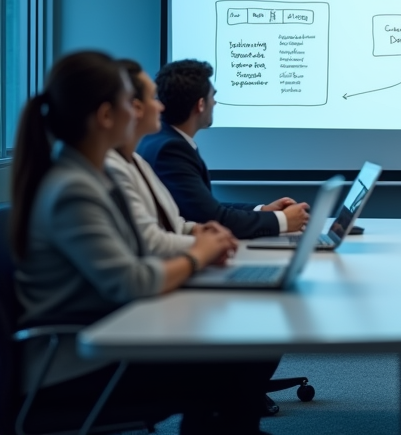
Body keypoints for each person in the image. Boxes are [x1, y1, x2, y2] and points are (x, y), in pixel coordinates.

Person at [11, 50, 277, 434]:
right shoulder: (74, 188)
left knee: (233, 356)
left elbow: (137, 252)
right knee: (228, 362)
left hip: (106, 332)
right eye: (129, 103)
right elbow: (131, 280)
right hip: (74, 360)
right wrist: (198, 256)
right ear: (106, 116)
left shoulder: (90, 175)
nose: (140, 111)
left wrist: (196, 243)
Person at [138, 59, 309, 239]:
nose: (215, 103)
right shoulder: (171, 150)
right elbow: (213, 219)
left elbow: (205, 207)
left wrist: (263, 210)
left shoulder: (162, 139)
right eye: (213, 96)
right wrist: (281, 220)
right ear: (201, 104)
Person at [106, 59, 234, 257]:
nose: (160, 106)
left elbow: (170, 221)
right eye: (152, 98)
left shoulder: (137, 161)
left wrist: (193, 231)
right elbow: (150, 243)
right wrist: (202, 250)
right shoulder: (115, 167)